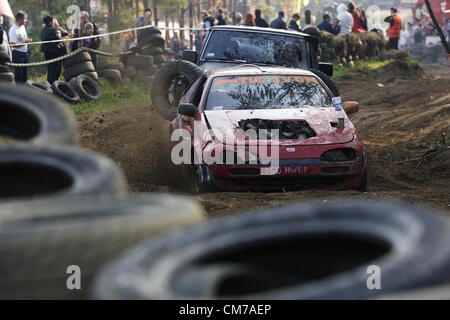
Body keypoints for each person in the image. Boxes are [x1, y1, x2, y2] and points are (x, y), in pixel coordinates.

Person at [41, 16, 67, 84]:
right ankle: (53, 84)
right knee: (56, 70)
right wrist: (62, 40)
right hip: (54, 53)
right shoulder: (52, 30)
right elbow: (57, 39)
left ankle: (49, 82)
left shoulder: (43, 30)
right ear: (50, 22)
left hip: (46, 53)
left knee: (50, 69)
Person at [8, 11, 32, 83]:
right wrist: (25, 42)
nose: (26, 21)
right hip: (17, 54)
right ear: (20, 19)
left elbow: (22, 39)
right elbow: (13, 45)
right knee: (19, 76)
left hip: (24, 53)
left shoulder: (22, 27)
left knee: (24, 75)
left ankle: (24, 92)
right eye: (25, 19)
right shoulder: (13, 29)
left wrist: (27, 40)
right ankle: (18, 92)